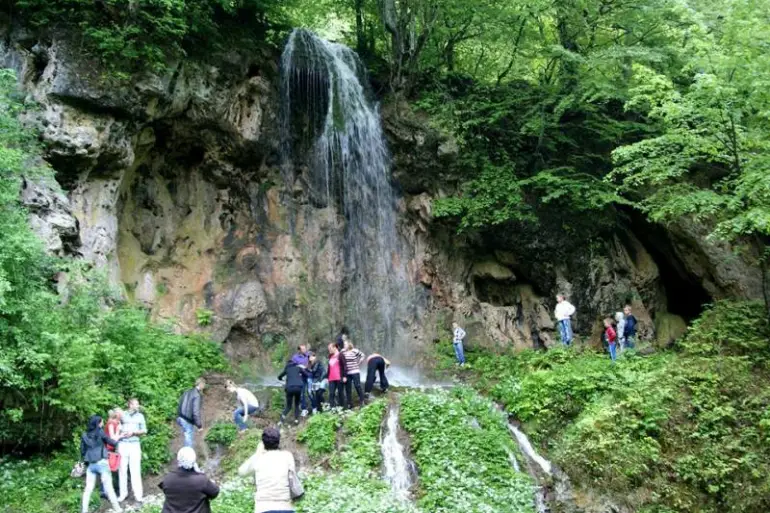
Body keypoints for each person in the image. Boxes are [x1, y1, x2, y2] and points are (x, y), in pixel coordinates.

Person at [238, 427, 299, 513]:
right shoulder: (288, 456)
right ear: (278, 441)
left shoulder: (259, 458)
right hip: (286, 507)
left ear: (263, 443)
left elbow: (241, 472)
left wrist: (257, 452)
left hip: (263, 508)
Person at [80, 415, 122, 513]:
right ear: (98, 423)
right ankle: (118, 509)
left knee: (88, 490)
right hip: (102, 463)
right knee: (109, 489)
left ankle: (84, 511)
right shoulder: (100, 431)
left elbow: (82, 451)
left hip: (91, 465)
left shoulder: (85, 435)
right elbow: (109, 441)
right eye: (102, 422)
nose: (103, 423)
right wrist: (118, 444)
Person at [159, 447, 219, 513]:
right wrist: (200, 474)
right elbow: (214, 492)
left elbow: (165, 489)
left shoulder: (168, 478)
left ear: (178, 460)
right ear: (194, 460)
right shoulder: (201, 480)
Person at [118, 398, 146, 504]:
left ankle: (138, 496)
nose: (137, 406)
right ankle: (122, 494)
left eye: (138, 404)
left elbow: (144, 430)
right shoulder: (122, 414)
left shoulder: (140, 416)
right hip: (122, 444)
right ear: (130, 405)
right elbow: (115, 425)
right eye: (135, 404)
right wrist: (121, 430)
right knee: (122, 470)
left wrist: (134, 432)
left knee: (135, 470)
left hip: (134, 444)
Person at [177, 378, 205, 448]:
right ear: (201, 384)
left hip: (180, 417)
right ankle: (188, 457)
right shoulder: (197, 395)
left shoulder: (187, 391)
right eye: (204, 384)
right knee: (188, 437)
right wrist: (199, 426)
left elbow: (180, 403)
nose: (204, 386)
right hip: (187, 419)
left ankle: (185, 455)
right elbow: (195, 411)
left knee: (187, 435)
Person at [278, 359, 305, 425]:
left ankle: (281, 420)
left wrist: (282, 379)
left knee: (288, 406)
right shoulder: (298, 368)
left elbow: (279, 377)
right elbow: (306, 374)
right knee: (296, 405)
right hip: (298, 387)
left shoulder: (287, 369)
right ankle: (296, 420)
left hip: (289, 388)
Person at [342, 340, 365, 409]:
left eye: (345, 344)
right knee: (348, 388)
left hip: (355, 371)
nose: (344, 345)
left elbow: (362, 355)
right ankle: (350, 404)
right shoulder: (342, 351)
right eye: (344, 344)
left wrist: (360, 361)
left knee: (357, 385)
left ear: (349, 344)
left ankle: (362, 400)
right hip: (347, 373)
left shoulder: (354, 350)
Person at [290, 344, 310, 416]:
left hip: (309, 376)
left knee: (311, 392)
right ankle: (304, 409)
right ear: (299, 350)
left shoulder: (308, 355)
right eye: (303, 349)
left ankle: (315, 408)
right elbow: (291, 366)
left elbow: (313, 361)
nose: (305, 350)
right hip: (300, 377)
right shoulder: (295, 357)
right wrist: (298, 366)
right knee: (301, 394)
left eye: (305, 349)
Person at [326, 343, 347, 409]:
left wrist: (345, 376)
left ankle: (343, 408)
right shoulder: (330, 356)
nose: (329, 350)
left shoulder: (340, 355)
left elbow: (345, 366)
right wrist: (327, 377)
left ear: (335, 347)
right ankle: (332, 408)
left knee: (341, 393)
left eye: (330, 348)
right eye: (328, 348)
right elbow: (329, 368)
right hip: (331, 378)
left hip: (339, 377)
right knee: (331, 394)